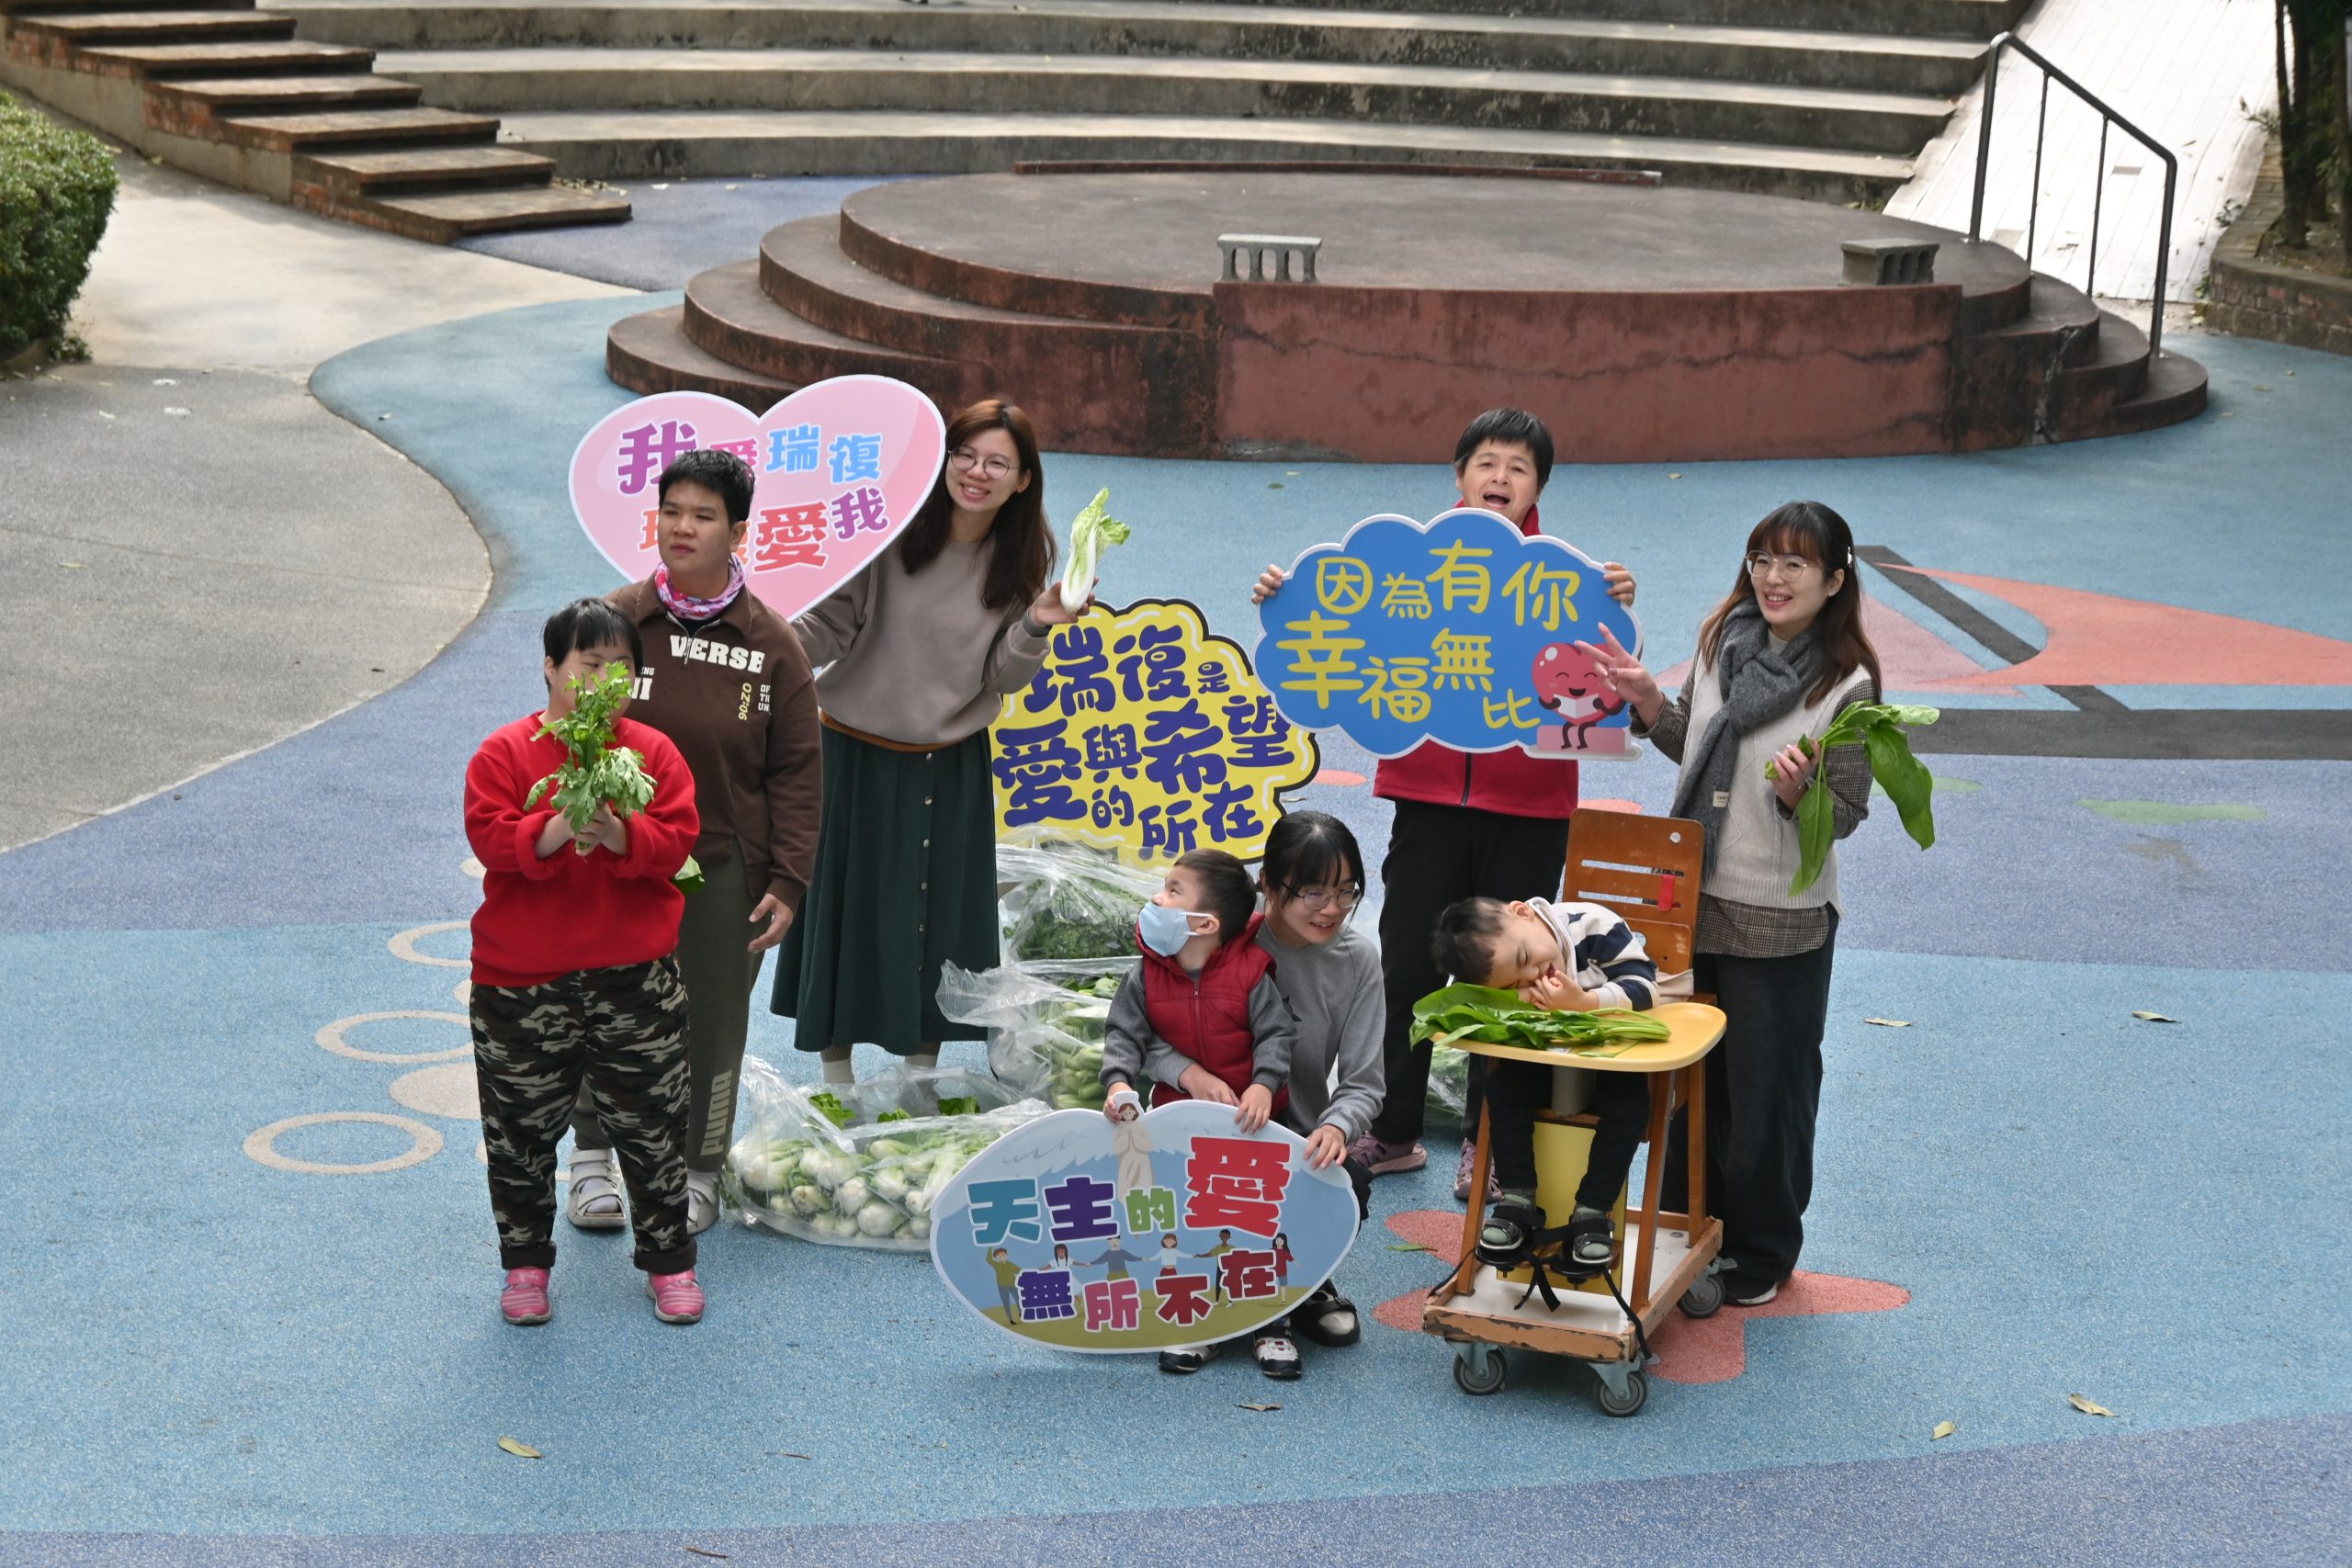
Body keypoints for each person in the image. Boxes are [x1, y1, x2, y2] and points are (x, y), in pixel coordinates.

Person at [1252, 408, 1635, 1200]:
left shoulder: (1564, 581)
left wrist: (1613, 604)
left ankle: (1485, 1142)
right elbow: (1338, 623)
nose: (1501, 477)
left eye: (1519, 468)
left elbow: (1602, 687)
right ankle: (1392, 1130)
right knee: (1408, 964)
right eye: (1487, 462)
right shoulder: (1405, 569)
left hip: (1530, 806)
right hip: (1425, 796)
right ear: (1459, 475)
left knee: (1511, 975)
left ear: (1538, 488)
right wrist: (1290, 599)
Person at [1577, 500, 1883, 1307]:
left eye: (1794, 563)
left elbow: (1847, 812)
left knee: (1767, 1097)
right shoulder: (1723, 644)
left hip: (1780, 919)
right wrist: (1649, 701)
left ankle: (1761, 1248)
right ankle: (1691, 1225)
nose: (1773, 578)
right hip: (1690, 901)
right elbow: (1697, 746)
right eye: (1761, 559)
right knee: (1691, 1087)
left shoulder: (1850, 684)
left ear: (1835, 579)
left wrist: (1802, 795)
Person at [771, 400, 1091, 1081]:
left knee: (937, 914)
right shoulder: (887, 532)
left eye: (997, 463)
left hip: (949, 763)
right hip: (851, 751)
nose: (976, 472)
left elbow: (1002, 676)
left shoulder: (1023, 559)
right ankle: (836, 1078)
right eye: (964, 454)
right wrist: (763, 641)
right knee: (843, 908)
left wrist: (1037, 622)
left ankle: (921, 1076)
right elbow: (829, 626)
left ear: (1023, 480)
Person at [567, 449, 823, 1237]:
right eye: (671, 510)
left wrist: (788, 878)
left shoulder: (771, 642)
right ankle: (591, 1160)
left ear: (738, 532)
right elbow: (565, 726)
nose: (682, 527)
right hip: (616, 857)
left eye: (704, 515)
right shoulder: (615, 621)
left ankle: (697, 1168)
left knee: (710, 1022)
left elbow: (797, 770)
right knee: (604, 1008)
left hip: (722, 866)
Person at [462, 599, 707, 1327]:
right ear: (551, 667)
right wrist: (559, 824)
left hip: (634, 975)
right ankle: (525, 1264)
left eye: (621, 668)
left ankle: (669, 1260)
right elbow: (490, 836)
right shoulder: (505, 752)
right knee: (518, 1132)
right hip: (522, 979)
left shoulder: (652, 753)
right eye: (588, 664)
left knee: (654, 1122)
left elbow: (678, 838)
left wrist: (623, 833)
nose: (604, 681)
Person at [1141, 810, 1381, 1354]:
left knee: (1348, 1186)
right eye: (1313, 893)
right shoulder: (1215, 935)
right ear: (1269, 886)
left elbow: (1365, 1081)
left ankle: (1305, 1282)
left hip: (1294, 1137)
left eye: (1346, 892)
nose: (1332, 909)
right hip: (1203, 1135)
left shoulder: (1357, 961)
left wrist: (1337, 1128)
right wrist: (1189, 1074)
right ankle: (1207, 1289)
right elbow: (1141, 1036)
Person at [1100, 849, 1300, 1378]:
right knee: (1187, 1225)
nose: (1156, 898)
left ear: (1205, 923)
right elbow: (1124, 1035)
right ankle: (1196, 1319)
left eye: (1172, 891)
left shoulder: (1251, 973)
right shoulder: (1146, 974)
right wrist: (1118, 1084)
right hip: (1179, 1127)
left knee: (1258, 1225)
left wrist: (1263, 1086)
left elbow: (1277, 1035)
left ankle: (1270, 1325)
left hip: (1251, 1130)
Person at [1427, 895, 1663, 1273]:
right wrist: (1518, 998)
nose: (1535, 975)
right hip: (1546, 1066)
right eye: (1516, 982)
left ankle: (1593, 1212)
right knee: (1502, 1090)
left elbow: (1647, 988)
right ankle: (1517, 1201)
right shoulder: (1511, 970)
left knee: (1629, 1107)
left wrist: (1586, 1002)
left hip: (1611, 1065)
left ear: (1522, 912)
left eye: (1525, 958)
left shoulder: (1594, 926)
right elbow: (1471, 1008)